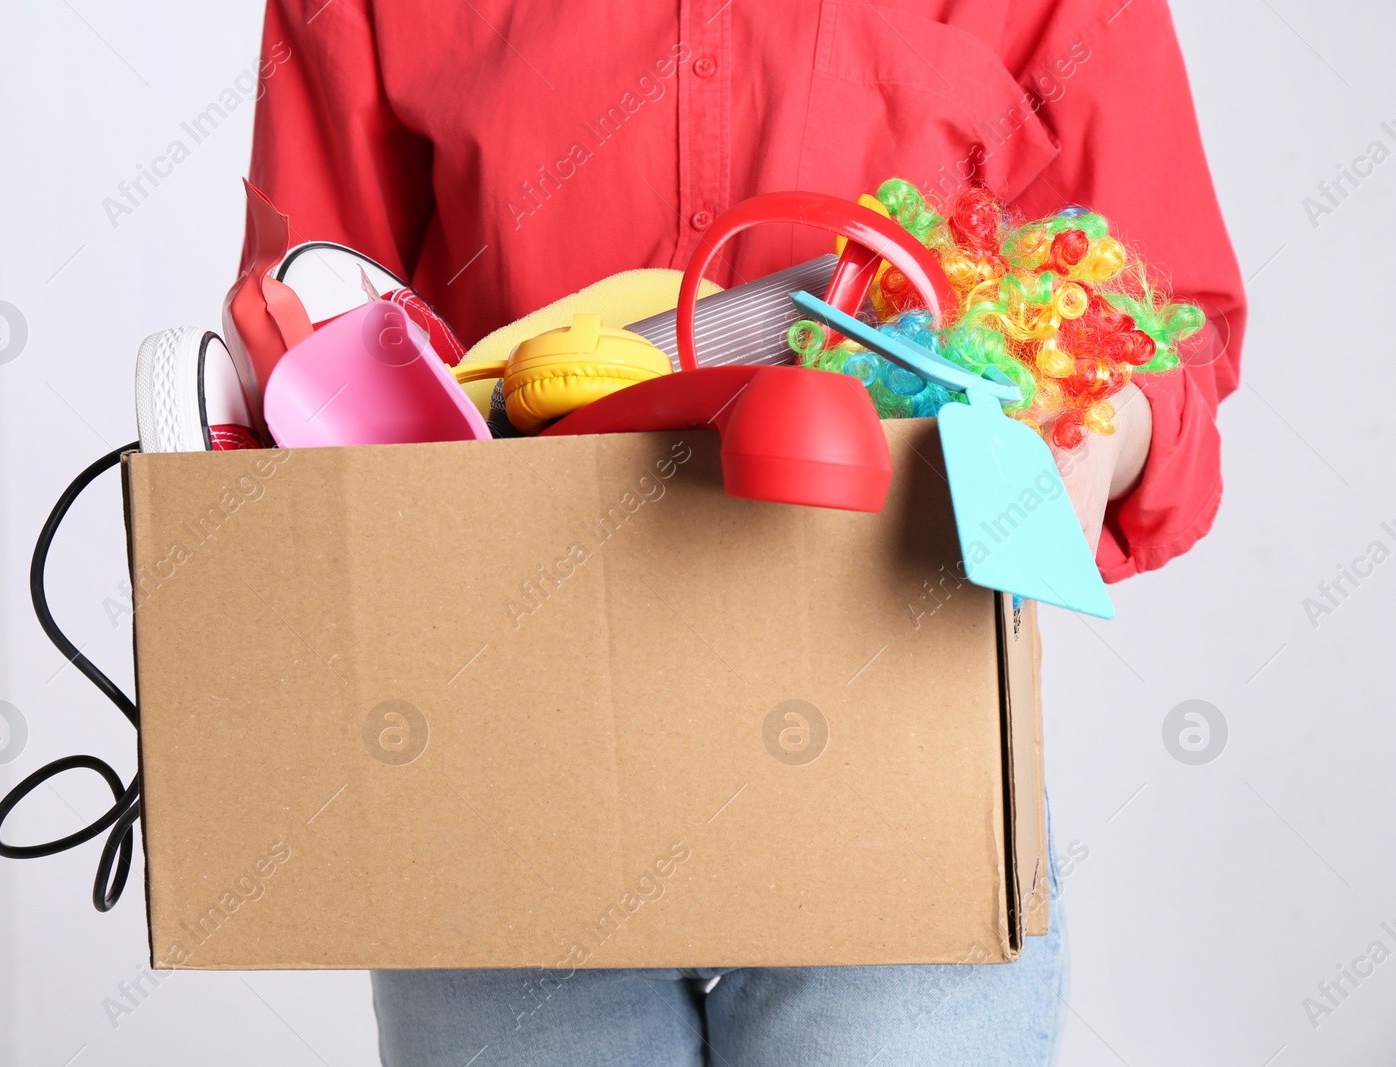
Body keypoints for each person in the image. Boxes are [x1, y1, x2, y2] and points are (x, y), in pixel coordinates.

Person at [241, 0, 1245, 1062]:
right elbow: (307, 339)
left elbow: (1165, 330)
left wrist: (1097, 425)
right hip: (505, 784)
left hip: (896, 778)